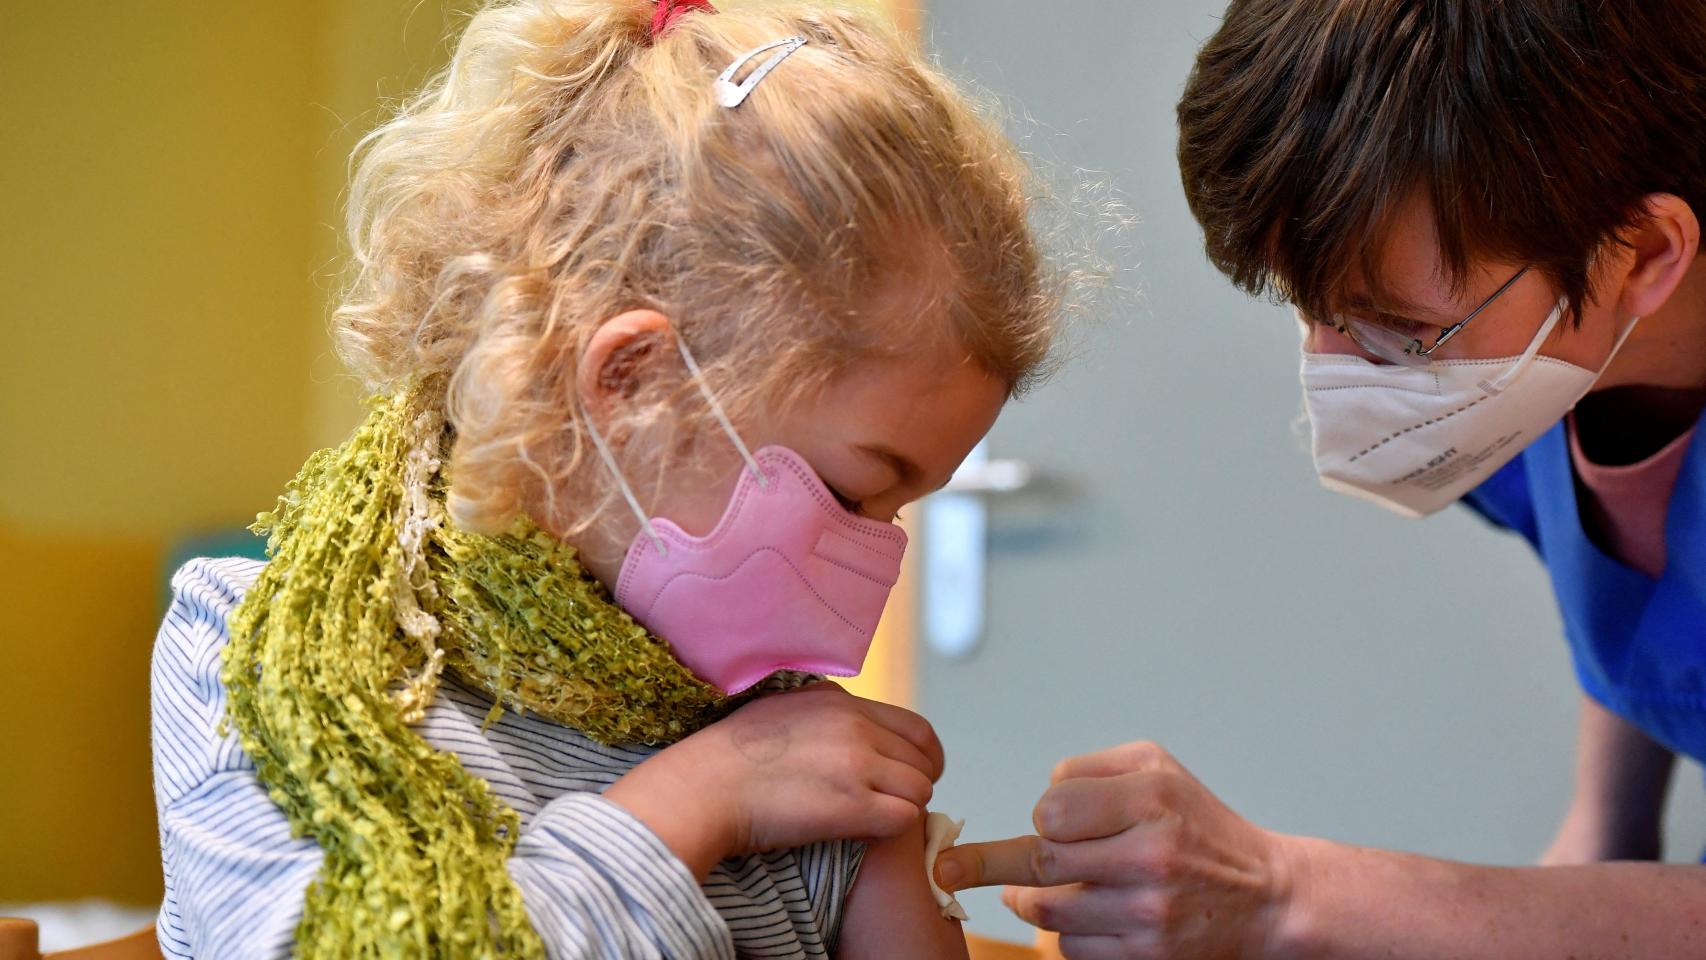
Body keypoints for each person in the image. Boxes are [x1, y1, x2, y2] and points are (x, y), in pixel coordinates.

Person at [148, 0, 1064, 956]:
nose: (874, 563)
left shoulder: (801, 744)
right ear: (632, 382)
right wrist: (702, 798)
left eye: (901, 509)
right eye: (849, 491)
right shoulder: (257, 654)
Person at [933, 2, 1706, 957]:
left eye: (1397, 328)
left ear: (1646, 255)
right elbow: (1650, 593)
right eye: (1313, 308)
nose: (1337, 367)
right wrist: (1607, 831)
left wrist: (1280, 893)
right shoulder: (1550, 371)